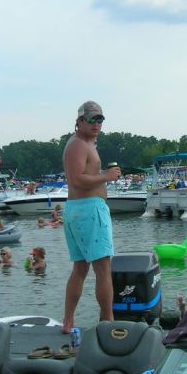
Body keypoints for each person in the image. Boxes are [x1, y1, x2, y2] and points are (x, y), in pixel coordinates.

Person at [60, 101, 121, 333]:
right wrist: (106, 176)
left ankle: (68, 322)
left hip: (78, 210)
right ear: (79, 121)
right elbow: (77, 180)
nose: (97, 124)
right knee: (103, 269)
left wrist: (103, 175)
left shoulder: (84, 143)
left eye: (100, 119)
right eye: (92, 119)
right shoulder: (78, 144)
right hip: (88, 210)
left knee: (80, 268)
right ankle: (108, 323)